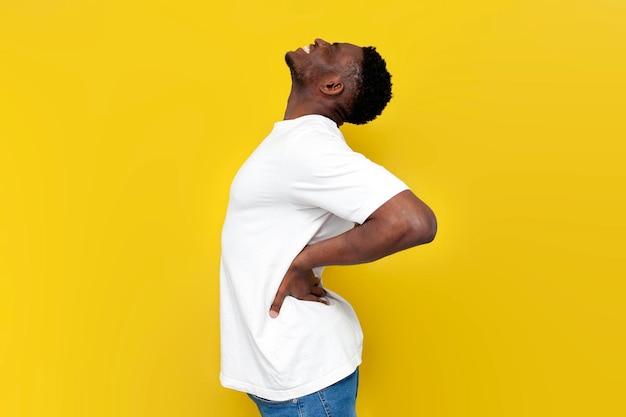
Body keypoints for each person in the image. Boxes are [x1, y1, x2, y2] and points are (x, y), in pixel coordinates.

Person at [220, 38, 437, 417]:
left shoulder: (309, 147)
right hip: (287, 369)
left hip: (302, 376)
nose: (320, 42)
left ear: (332, 85)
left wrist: (301, 262)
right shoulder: (297, 143)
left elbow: (413, 222)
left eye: (333, 50)